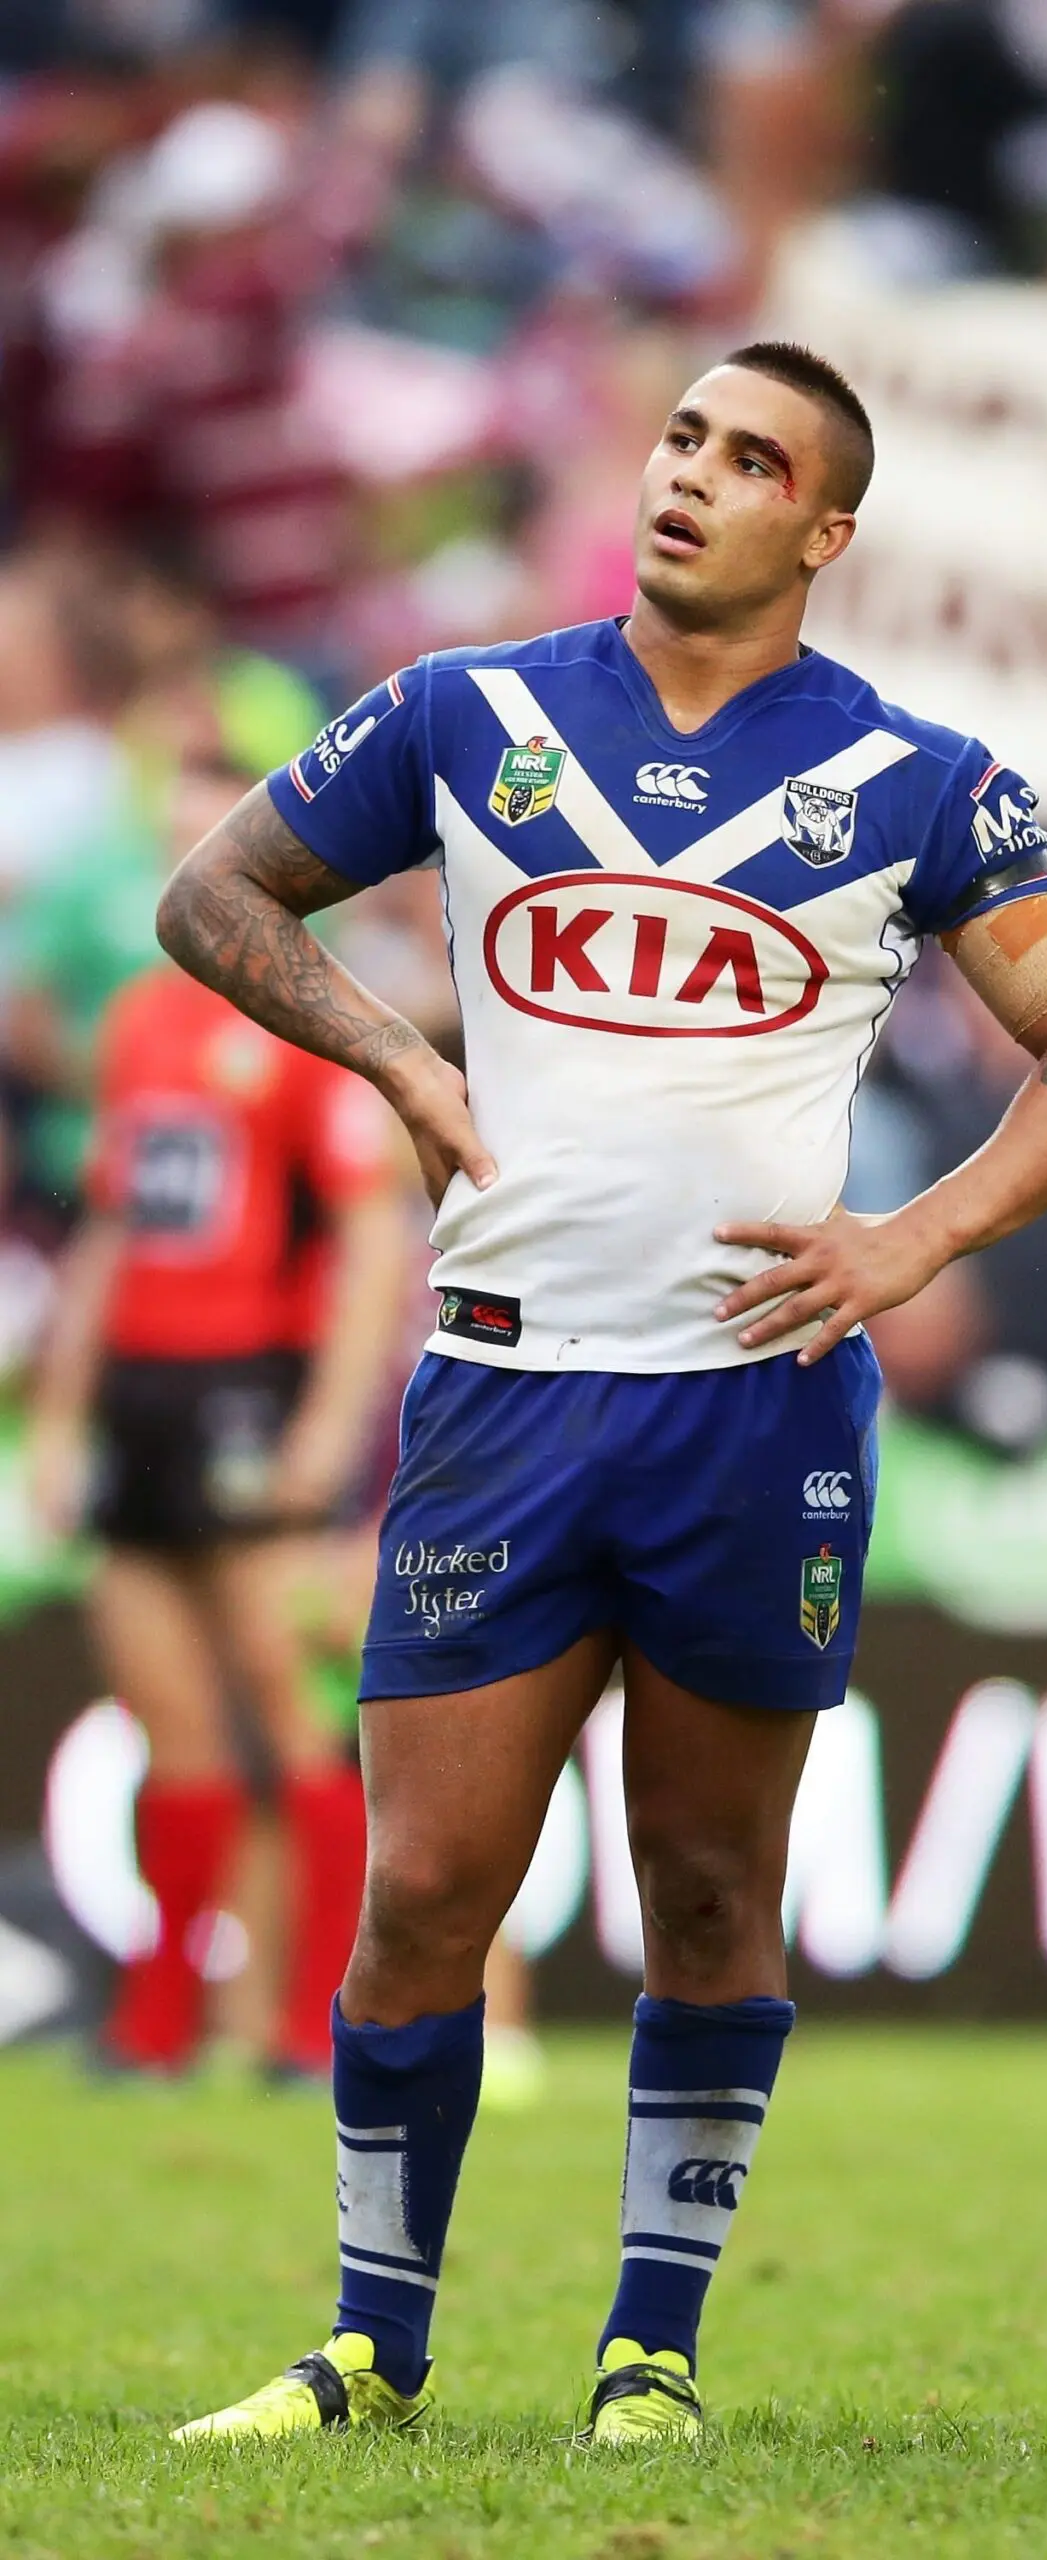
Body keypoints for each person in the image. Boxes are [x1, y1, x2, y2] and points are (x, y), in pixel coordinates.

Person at [155, 340, 1047, 2444]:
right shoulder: (466, 714)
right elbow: (211, 893)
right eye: (683, 437)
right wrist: (402, 1055)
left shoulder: (912, 775)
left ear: (826, 529)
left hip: (753, 1406)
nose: (691, 474)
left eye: (752, 459)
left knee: (708, 1893)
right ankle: (370, 2343)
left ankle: (652, 2350)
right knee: (423, 1894)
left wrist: (915, 1240)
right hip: (504, 1395)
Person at [28, 745, 405, 2080]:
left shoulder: (314, 1019)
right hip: (140, 1394)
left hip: (252, 1386)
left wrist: (328, 1427)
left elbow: (371, 1240)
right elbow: (112, 1230)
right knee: (167, 1719)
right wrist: (60, 1416)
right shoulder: (139, 1023)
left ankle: (314, 2024)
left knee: (288, 1706)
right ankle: (157, 2024)